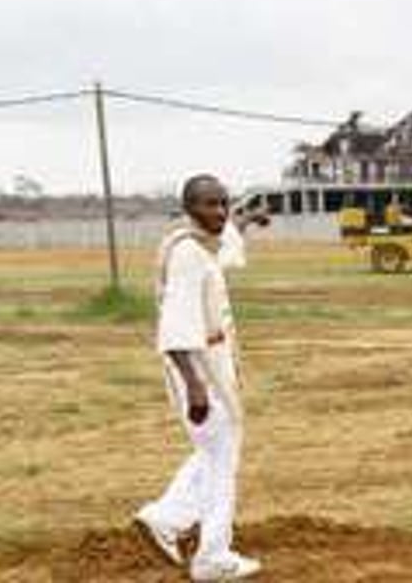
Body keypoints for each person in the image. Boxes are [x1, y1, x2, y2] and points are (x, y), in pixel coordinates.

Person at [134, 174, 266, 581]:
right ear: (190, 208)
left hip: (210, 370)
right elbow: (174, 331)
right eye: (211, 205)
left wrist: (244, 224)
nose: (221, 213)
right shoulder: (188, 254)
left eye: (224, 204)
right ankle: (212, 557)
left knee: (214, 456)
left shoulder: (193, 245)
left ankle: (165, 518)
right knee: (221, 462)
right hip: (201, 375)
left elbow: (223, 254)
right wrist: (195, 388)